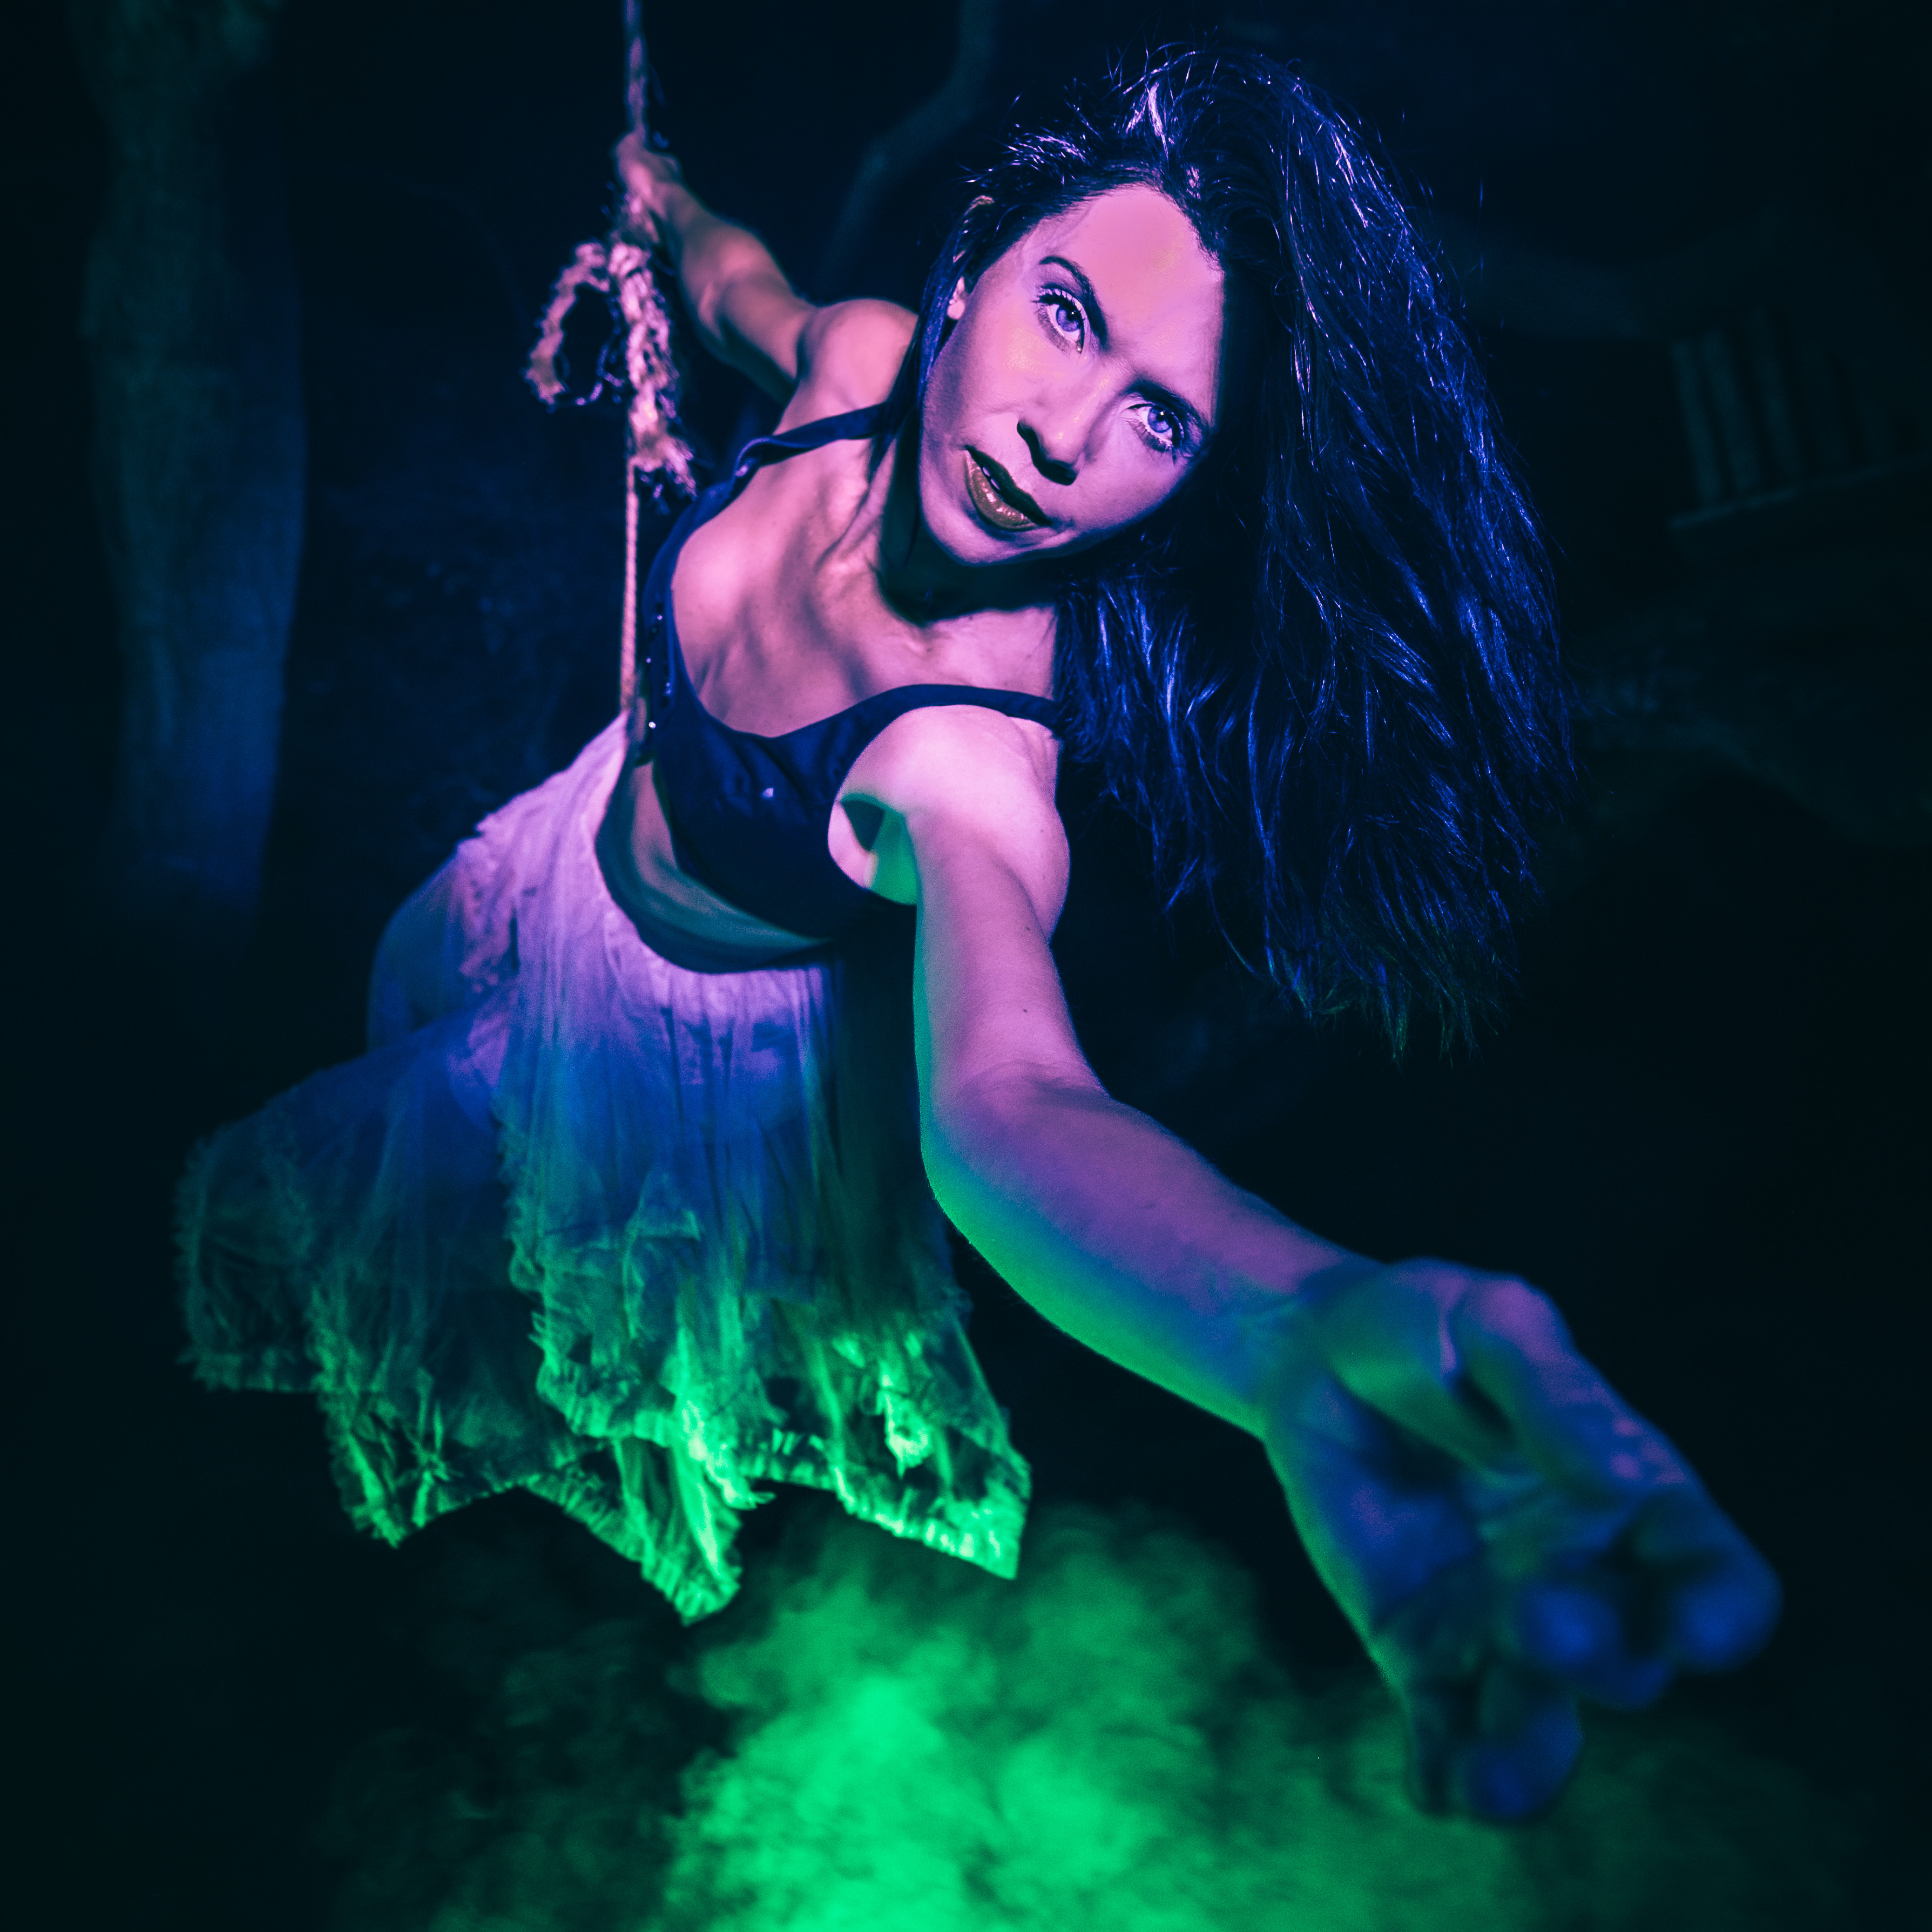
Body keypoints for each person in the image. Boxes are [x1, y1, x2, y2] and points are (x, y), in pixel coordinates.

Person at [178, 49, 1779, 1821]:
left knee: (460, 1295)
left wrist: (1291, 1328)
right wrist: (662, 200)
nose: (1061, 437)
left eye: (1160, 423)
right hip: (567, 853)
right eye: (1064, 316)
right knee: (402, 1040)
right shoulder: (860, 361)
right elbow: (736, 287)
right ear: (970, 273)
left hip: (663, 1050)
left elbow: (1013, 1103)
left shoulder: (966, 767)